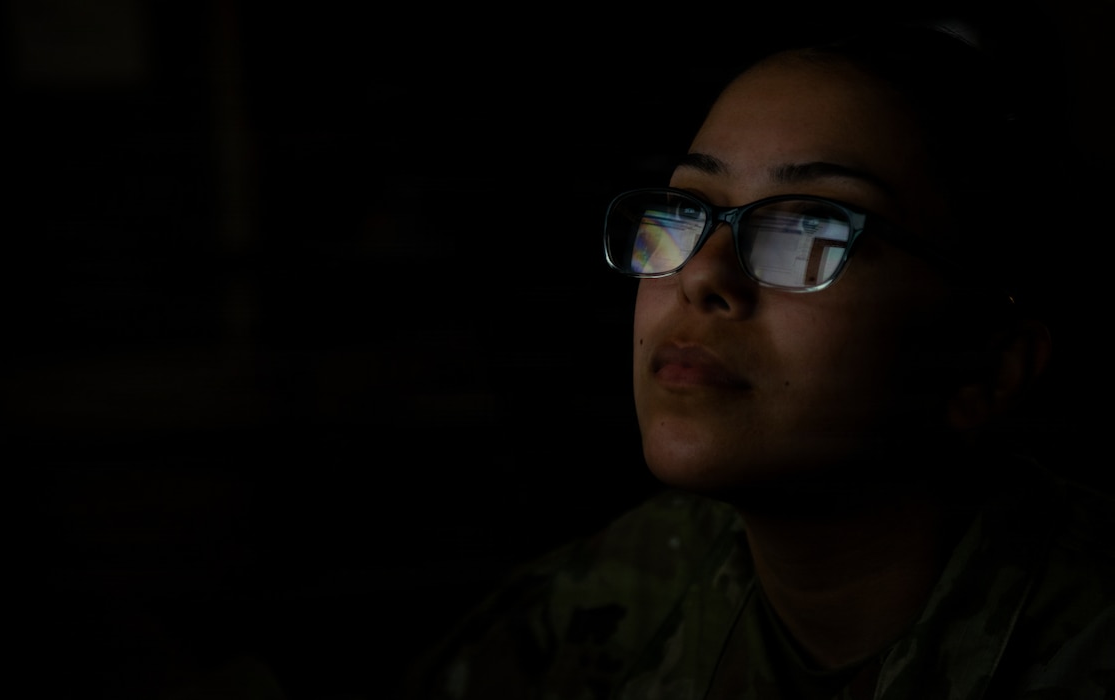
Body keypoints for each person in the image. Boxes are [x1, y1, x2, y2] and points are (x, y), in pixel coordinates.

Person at [404, 19, 1114, 700]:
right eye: (685, 209)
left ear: (987, 368)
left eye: (807, 229)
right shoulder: (647, 569)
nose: (702, 275)